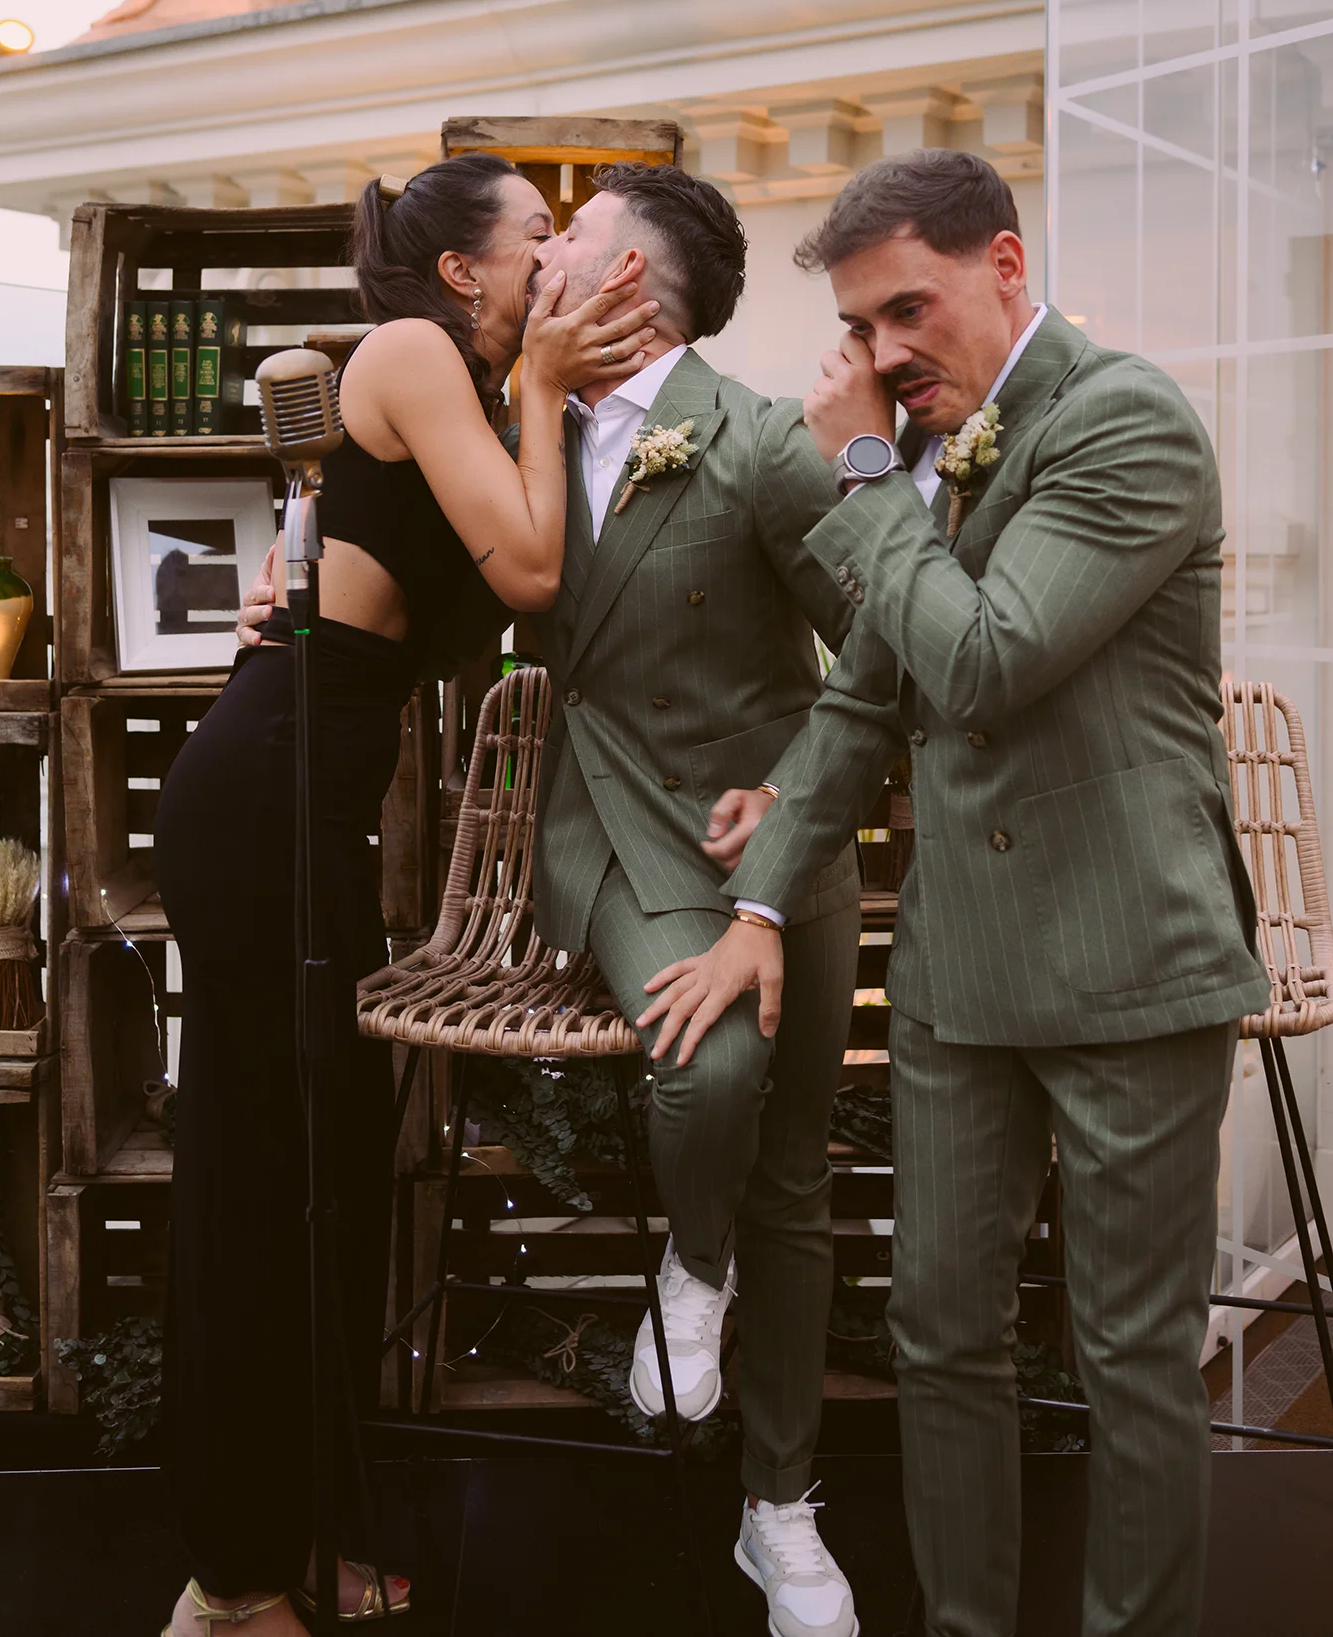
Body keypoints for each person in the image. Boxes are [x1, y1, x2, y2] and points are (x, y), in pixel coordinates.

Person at [685, 149, 1269, 1637]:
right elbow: (860, 704)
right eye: (860, 327)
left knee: (1130, 1354)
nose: (883, 354)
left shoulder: (1126, 420)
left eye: (908, 310)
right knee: (939, 1334)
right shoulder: (929, 454)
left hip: (1131, 957)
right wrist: (759, 905)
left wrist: (866, 474)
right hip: (954, 977)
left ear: (1004, 266)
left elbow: (984, 659)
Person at [154, 153, 658, 1637]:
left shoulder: (466, 393)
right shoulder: (418, 353)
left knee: (327, 1179)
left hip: (304, 807)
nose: (554, 257)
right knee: (263, 1180)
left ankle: (294, 1536)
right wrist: (546, 388)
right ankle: (231, 1579)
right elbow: (530, 573)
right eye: (536, 236)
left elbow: (474, 603)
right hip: (263, 802)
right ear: (461, 268)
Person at [524, 164, 863, 1637]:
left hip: (769, 838)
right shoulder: (519, 422)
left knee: (793, 1177)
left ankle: (779, 1511)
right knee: (709, 1063)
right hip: (611, 824)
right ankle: (694, 1264)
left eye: (570, 238)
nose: (543, 256)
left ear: (628, 282)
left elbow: (881, 649)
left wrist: (790, 803)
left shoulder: (762, 443)